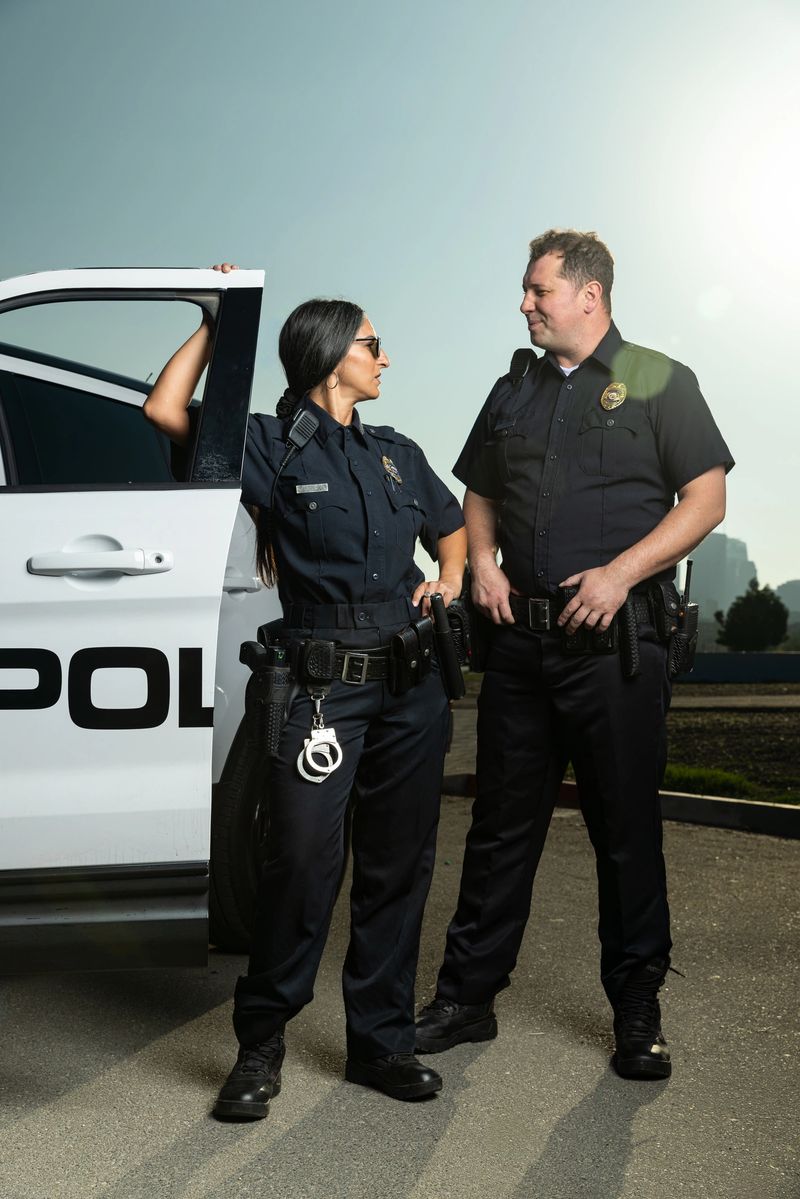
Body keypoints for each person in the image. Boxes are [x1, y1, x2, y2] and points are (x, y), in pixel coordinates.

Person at [144, 265, 466, 1115]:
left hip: (411, 685)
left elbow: (454, 528)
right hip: (320, 690)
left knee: (398, 870)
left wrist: (450, 579)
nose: (385, 357)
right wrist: (218, 319)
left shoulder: (398, 453)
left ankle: (381, 1045)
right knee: (299, 868)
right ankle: (260, 1049)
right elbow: (165, 410)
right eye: (371, 343)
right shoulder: (269, 443)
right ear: (330, 356)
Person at [415, 230, 733, 1080]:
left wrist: (624, 574)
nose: (524, 304)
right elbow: (480, 491)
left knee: (624, 828)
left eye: (537, 290)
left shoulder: (662, 379)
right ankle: (465, 997)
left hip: (616, 649)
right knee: (499, 826)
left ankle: (636, 1009)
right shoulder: (510, 390)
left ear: (588, 295)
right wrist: (481, 561)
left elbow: (707, 497)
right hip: (520, 643)